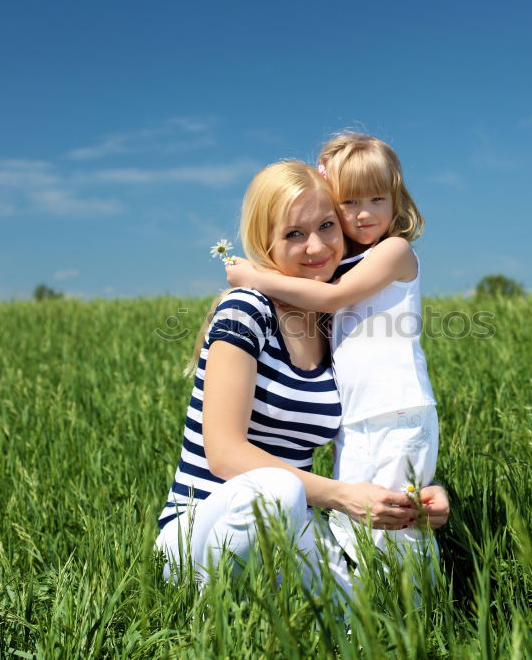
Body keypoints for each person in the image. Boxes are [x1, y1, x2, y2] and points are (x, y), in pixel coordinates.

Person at [154, 160, 449, 593]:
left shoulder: (332, 328)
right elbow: (224, 454)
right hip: (199, 530)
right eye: (294, 234)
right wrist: (342, 496)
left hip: (290, 521)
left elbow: (371, 436)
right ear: (265, 242)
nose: (316, 246)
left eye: (327, 226)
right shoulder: (246, 311)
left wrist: (416, 492)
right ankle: (210, 615)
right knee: (278, 491)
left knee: (366, 613)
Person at [225, 135, 440, 569]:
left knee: (398, 524)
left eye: (377, 199)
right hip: (360, 418)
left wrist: (254, 276)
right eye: (348, 203)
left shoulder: (394, 252)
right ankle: (371, 607)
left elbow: (331, 299)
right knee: (363, 521)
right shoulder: (338, 264)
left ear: (396, 201)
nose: (363, 214)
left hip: (397, 408)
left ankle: (418, 609)